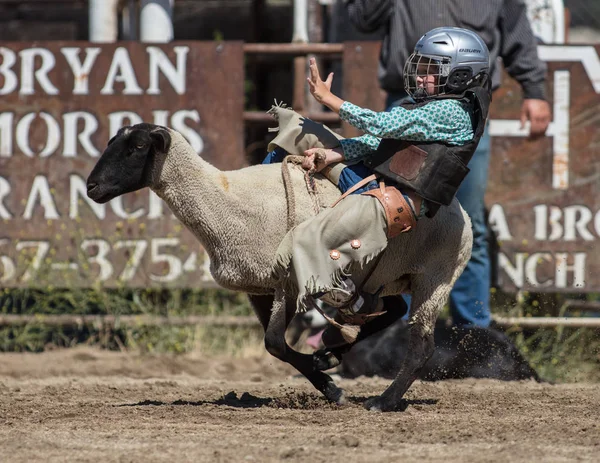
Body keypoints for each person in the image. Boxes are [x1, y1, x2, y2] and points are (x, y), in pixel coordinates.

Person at [271, 27, 491, 345]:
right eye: (422, 68)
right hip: (380, 180)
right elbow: (379, 141)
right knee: (298, 130)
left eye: (432, 70)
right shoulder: (428, 105)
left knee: (311, 238)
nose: (421, 77)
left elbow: (382, 125)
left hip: (397, 199)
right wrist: (333, 153)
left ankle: (353, 298)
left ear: (460, 76)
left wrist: (328, 99)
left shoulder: (451, 112)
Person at [345, 0, 552, 327]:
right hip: (407, 105)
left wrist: (534, 89)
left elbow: (516, 32)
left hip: (465, 111)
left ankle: (472, 332)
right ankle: (394, 330)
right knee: (394, 216)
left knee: (467, 222)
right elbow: (362, 18)